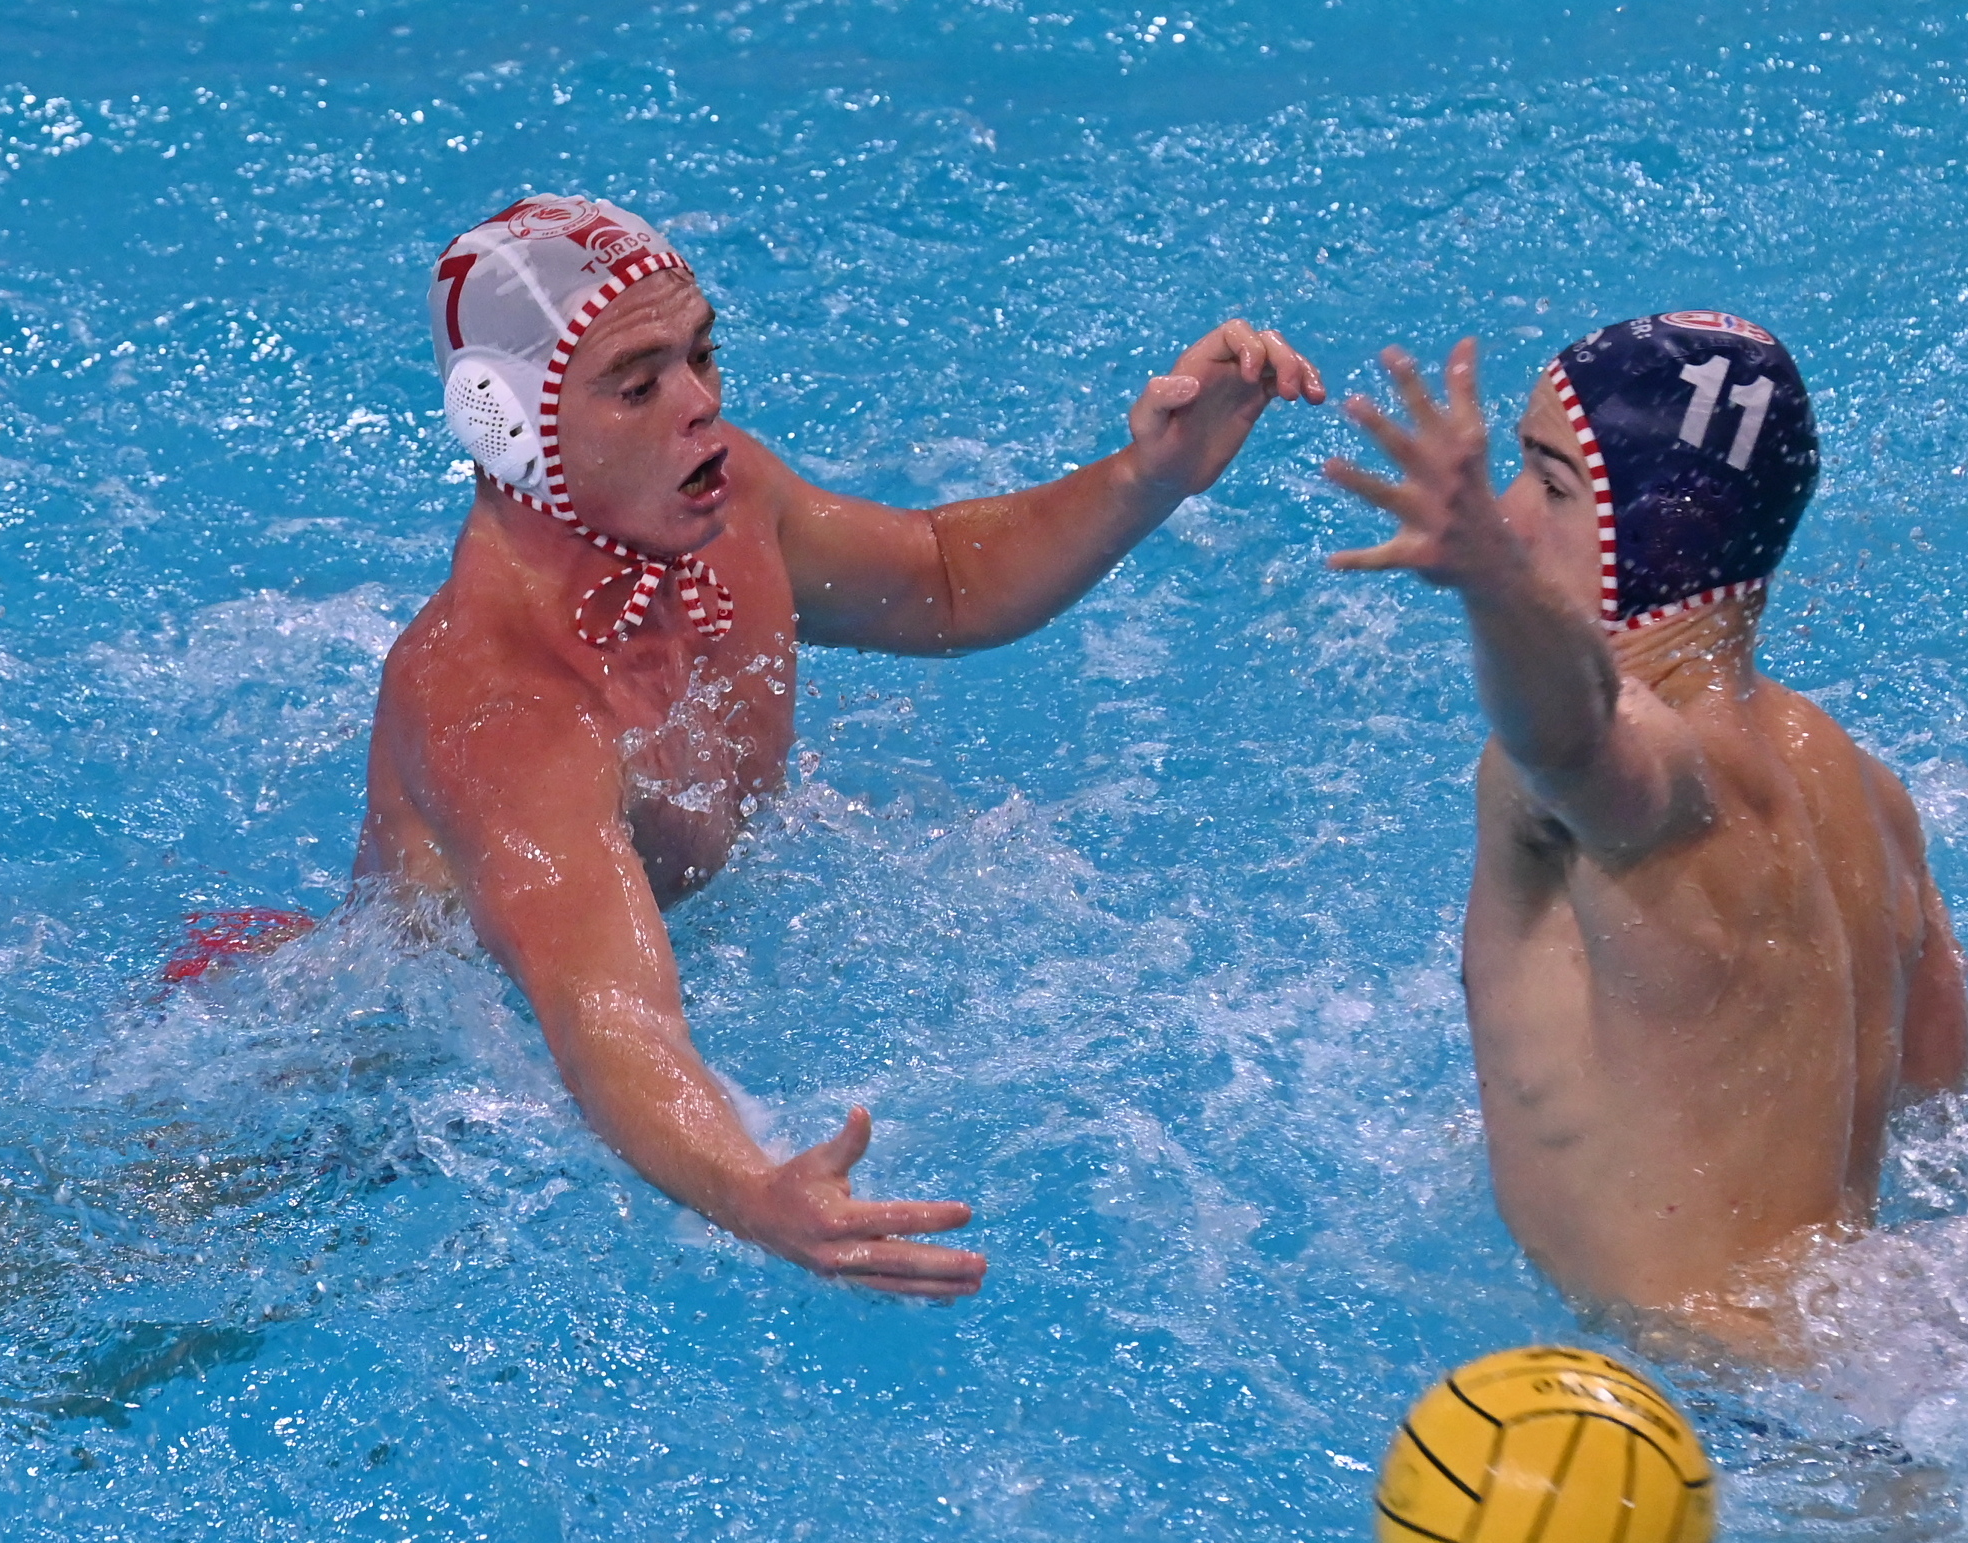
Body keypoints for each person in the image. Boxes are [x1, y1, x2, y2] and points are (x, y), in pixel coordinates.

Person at [357, 195, 1322, 1299]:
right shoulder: (500, 705)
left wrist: (1147, 477)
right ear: (506, 426)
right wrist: (751, 1189)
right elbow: (604, 1017)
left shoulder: (723, 504)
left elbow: (943, 578)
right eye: (638, 384)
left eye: (701, 355)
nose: (702, 405)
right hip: (401, 1103)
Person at [1322, 313, 1968, 1348]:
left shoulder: (1651, 774)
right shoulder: (1860, 785)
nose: (1509, 514)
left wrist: (1495, 585)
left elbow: (1574, 741)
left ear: (1659, 534)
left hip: (1703, 1394)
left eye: (1550, 485)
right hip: (1880, 1354)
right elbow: (1952, 1121)